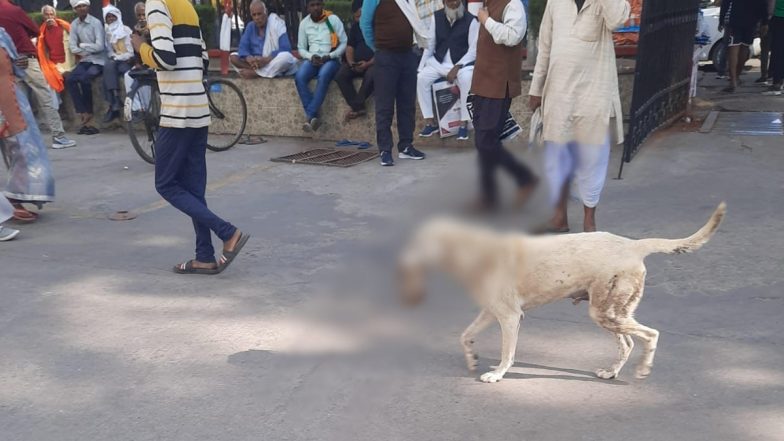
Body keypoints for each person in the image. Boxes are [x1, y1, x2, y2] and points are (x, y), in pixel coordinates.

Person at [133, 0, 249, 274]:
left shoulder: (156, 3)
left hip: (177, 112)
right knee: (194, 190)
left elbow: (165, 59)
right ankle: (204, 256)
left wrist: (141, 47)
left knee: (165, 184)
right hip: (198, 108)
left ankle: (227, 232)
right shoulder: (186, 5)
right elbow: (203, 58)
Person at [530, 0, 630, 232]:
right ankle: (559, 217)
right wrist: (536, 88)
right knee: (557, 158)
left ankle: (589, 220)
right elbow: (545, 45)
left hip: (593, 94)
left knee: (592, 157)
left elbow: (618, 19)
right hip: (558, 94)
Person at [468, 0, 536, 211]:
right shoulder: (486, 3)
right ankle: (489, 196)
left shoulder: (513, 4)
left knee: (486, 141)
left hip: (499, 83)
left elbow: (513, 36)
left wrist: (486, 20)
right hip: (483, 82)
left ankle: (524, 179)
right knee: (483, 142)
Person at [361, 0, 430, 166]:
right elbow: (365, 25)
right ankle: (385, 150)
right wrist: (378, 48)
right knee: (384, 106)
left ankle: (406, 146)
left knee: (407, 104)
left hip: (407, 55)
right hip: (386, 56)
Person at [0, 0, 76, 149]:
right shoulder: (13, 10)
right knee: (45, 97)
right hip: (26, 60)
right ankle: (58, 136)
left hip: (6, 63)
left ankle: (21, 139)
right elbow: (35, 30)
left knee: (16, 104)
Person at [0, 27, 56, 224]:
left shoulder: (2, 34)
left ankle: (14, 198)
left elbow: (16, 66)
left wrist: (19, 63)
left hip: (9, 99)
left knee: (25, 149)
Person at [417, 0, 478, 141]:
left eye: (457, 0)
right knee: (422, 79)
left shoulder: (471, 20)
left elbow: (473, 50)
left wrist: (458, 66)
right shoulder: (436, 17)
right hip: (439, 62)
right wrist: (420, 68)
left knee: (467, 79)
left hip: (462, 64)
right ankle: (430, 122)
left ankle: (463, 124)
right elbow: (430, 45)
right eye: (450, 1)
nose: (454, 3)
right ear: (444, 2)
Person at [295, 0, 347, 132]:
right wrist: (310, 57)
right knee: (299, 77)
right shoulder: (304, 24)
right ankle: (314, 118)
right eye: (312, 5)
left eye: (318, 4)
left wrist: (331, 55)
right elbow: (301, 48)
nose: (316, 8)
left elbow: (344, 42)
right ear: (308, 8)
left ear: (323, 5)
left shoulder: (332, 19)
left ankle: (310, 116)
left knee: (323, 76)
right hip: (313, 59)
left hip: (331, 59)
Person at [230, 0, 297, 79]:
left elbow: (286, 48)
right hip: (255, 64)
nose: (257, 18)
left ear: (266, 12)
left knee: (286, 57)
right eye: (254, 15)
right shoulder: (250, 27)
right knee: (232, 57)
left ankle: (256, 74)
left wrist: (266, 60)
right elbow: (242, 47)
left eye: (259, 14)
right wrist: (248, 58)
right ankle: (264, 72)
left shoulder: (276, 23)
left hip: (271, 61)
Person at [67, 0, 106, 135]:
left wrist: (82, 46)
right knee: (70, 79)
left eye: (84, 6)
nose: (82, 8)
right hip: (85, 60)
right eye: (79, 6)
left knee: (84, 79)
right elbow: (72, 47)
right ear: (75, 9)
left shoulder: (96, 23)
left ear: (88, 7)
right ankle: (82, 110)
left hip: (99, 61)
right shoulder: (74, 24)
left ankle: (88, 111)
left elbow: (100, 46)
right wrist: (87, 49)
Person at [334, 0, 375, 121]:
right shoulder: (355, 27)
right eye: (357, 16)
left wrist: (367, 64)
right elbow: (350, 47)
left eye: (362, 15)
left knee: (372, 75)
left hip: (373, 63)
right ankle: (359, 107)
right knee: (340, 75)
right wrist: (351, 62)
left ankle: (356, 106)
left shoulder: (378, 25)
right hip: (357, 63)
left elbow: (382, 51)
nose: (360, 19)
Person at [719, 0, 769, 93]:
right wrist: (765, 22)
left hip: (735, 19)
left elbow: (725, 3)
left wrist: (721, 19)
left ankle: (733, 81)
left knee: (733, 49)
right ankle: (737, 76)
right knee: (745, 48)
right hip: (752, 20)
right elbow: (763, 3)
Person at [37, 5, 76, 108]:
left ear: (55, 15)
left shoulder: (64, 26)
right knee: (48, 81)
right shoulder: (42, 31)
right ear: (43, 17)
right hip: (54, 64)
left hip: (69, 62)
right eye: (47, 14)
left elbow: (76, 40)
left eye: (51, 14)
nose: (49, 17)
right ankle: (56, 108)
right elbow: (42, 51)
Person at [101, 5, 134, 123]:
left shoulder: (126, 30)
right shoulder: (108, 33)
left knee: (109, 68)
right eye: (108, 17)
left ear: (117, 17)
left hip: (127, 60)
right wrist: (114, 57)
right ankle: (115, 100)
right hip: (116, 60)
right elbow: (109, 50)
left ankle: (114, 104)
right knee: (108, 67)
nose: (110, 19)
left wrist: (118, 58)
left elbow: (130, 52)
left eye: (112, 17)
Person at [763, 0, 784, 95]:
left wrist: (767, 19)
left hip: (779, 17)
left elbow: (772, 2)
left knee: (778, 51)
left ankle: (777, 82)